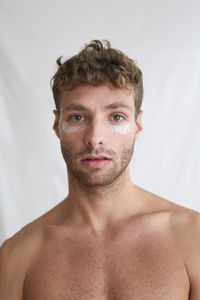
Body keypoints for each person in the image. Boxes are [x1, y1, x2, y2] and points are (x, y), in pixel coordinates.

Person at [0, 40, 199, 300]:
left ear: (138, 126)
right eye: (77, 117)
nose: (95, 138)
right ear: (57, 125)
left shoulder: (192, 238)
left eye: (116, 117)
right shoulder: (18, 256)